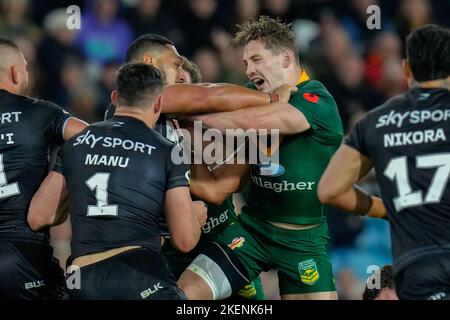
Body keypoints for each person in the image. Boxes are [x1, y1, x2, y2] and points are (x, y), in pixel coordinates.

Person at [177, 16, 344, 300]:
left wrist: (187, 112)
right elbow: (218, 152)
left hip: (303, 240)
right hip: (253, 230)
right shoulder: (255, 97)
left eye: (256, 60)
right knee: (183, 296)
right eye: (245, 63)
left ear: (287, 58)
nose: (249, 70)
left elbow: (254, 124)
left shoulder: (318, 100)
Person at [32, 63, 207, 300]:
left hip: (82, 277)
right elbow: (185, 240)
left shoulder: (76, 143)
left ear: (114, 98)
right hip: (138, 271)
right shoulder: (168, 151)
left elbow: (38, 217)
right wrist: (195, 216)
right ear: (158, 103)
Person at [317, 24, 450, 300]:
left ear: (406, 69)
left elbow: (328, 190)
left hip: (418, 267)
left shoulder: (376, 122)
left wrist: (382, 209)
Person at [0, 37, 87, 299]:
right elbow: (91, 140)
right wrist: (62, 170)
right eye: (25, 67)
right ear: (16, 72)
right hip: (23, 254)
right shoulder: (38, 112)